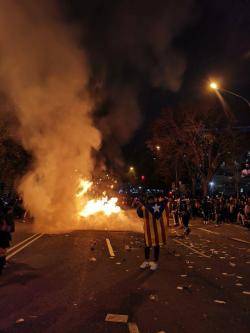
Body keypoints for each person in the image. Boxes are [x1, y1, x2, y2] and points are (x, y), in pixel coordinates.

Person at [137, 196, 169, 271]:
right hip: (148, 230)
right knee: (147, 245)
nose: (151, 201)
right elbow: (140, 215)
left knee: (156, 245)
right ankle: (146, 261)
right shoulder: (145, 208)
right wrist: (139, 207)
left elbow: (165, 212)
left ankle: (155, 262)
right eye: (149, 200)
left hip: (157, 230)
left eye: (152, 199)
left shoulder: (160, 207)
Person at [0, 205, 14, 274]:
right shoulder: (6, 217)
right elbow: (6, 229)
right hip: (2, 237)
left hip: (3, 236)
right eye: (11, 210)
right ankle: (3, 264)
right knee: (2, 252)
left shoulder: (5, 216)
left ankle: (3, 263)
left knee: (2, 251)